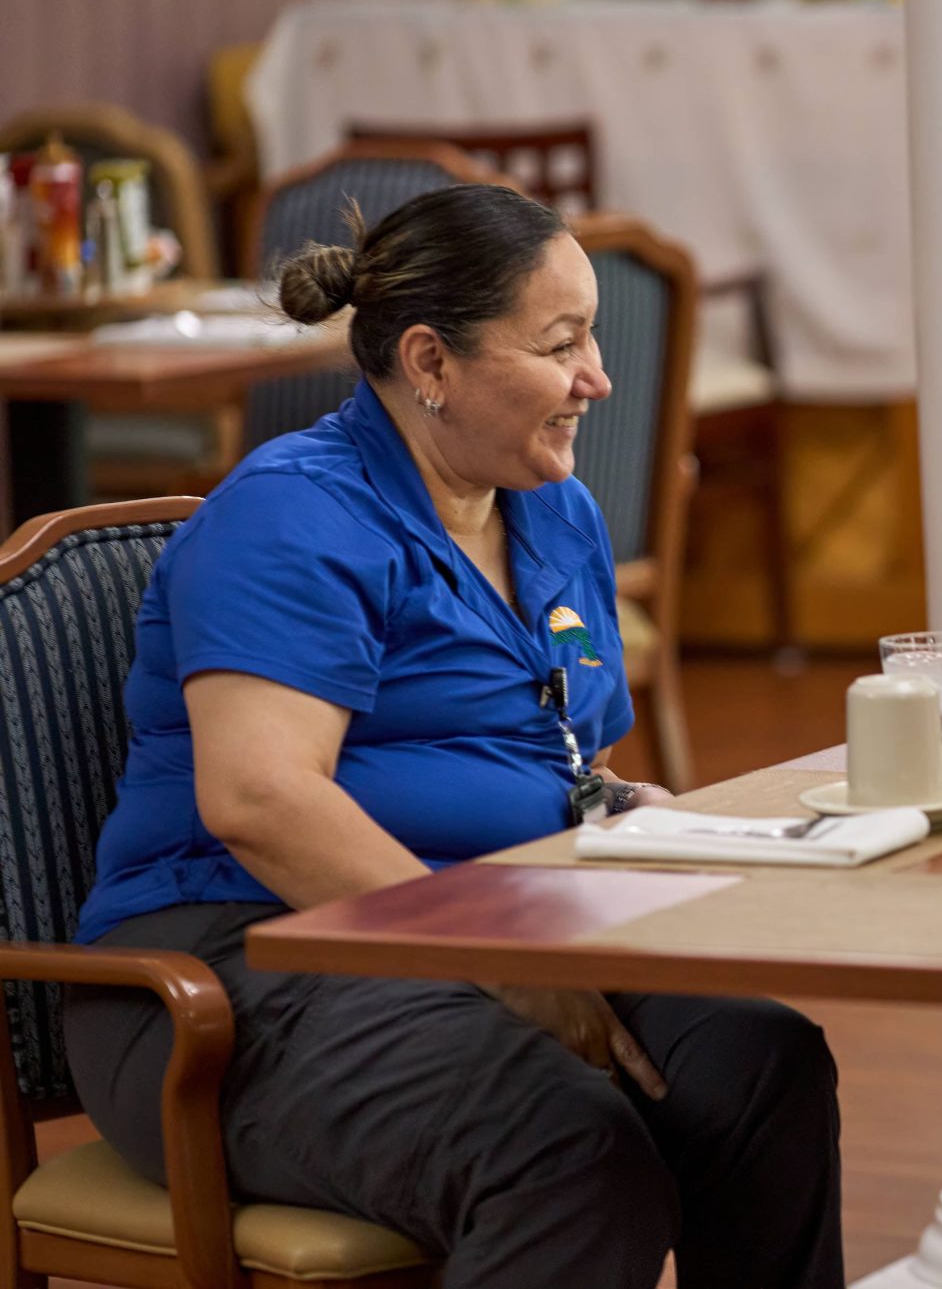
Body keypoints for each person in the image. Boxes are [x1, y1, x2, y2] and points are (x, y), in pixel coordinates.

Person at [65, 185, 843, 1289]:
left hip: (487, 927)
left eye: (594, 338)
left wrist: (620, 810)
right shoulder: (296, 515)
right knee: (565, 1147)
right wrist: (493, 965)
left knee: (759, 1066)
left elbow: (557, 752)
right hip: (234, 971)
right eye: (560, 343)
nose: (597, 380)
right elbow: (260, 801)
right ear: (429, 363)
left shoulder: (552, 510)